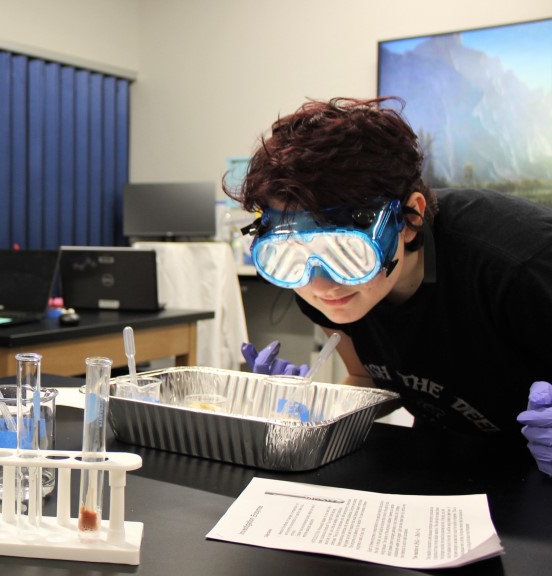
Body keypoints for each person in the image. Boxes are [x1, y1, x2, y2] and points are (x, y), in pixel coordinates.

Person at [227, 97, 552, 471]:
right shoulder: (317, 285)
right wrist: (316, 403)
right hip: (452, 464)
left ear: (410, 218)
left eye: (347, 253)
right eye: (292, 256)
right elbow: (366, 375)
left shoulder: (519, 265)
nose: (322, 286)